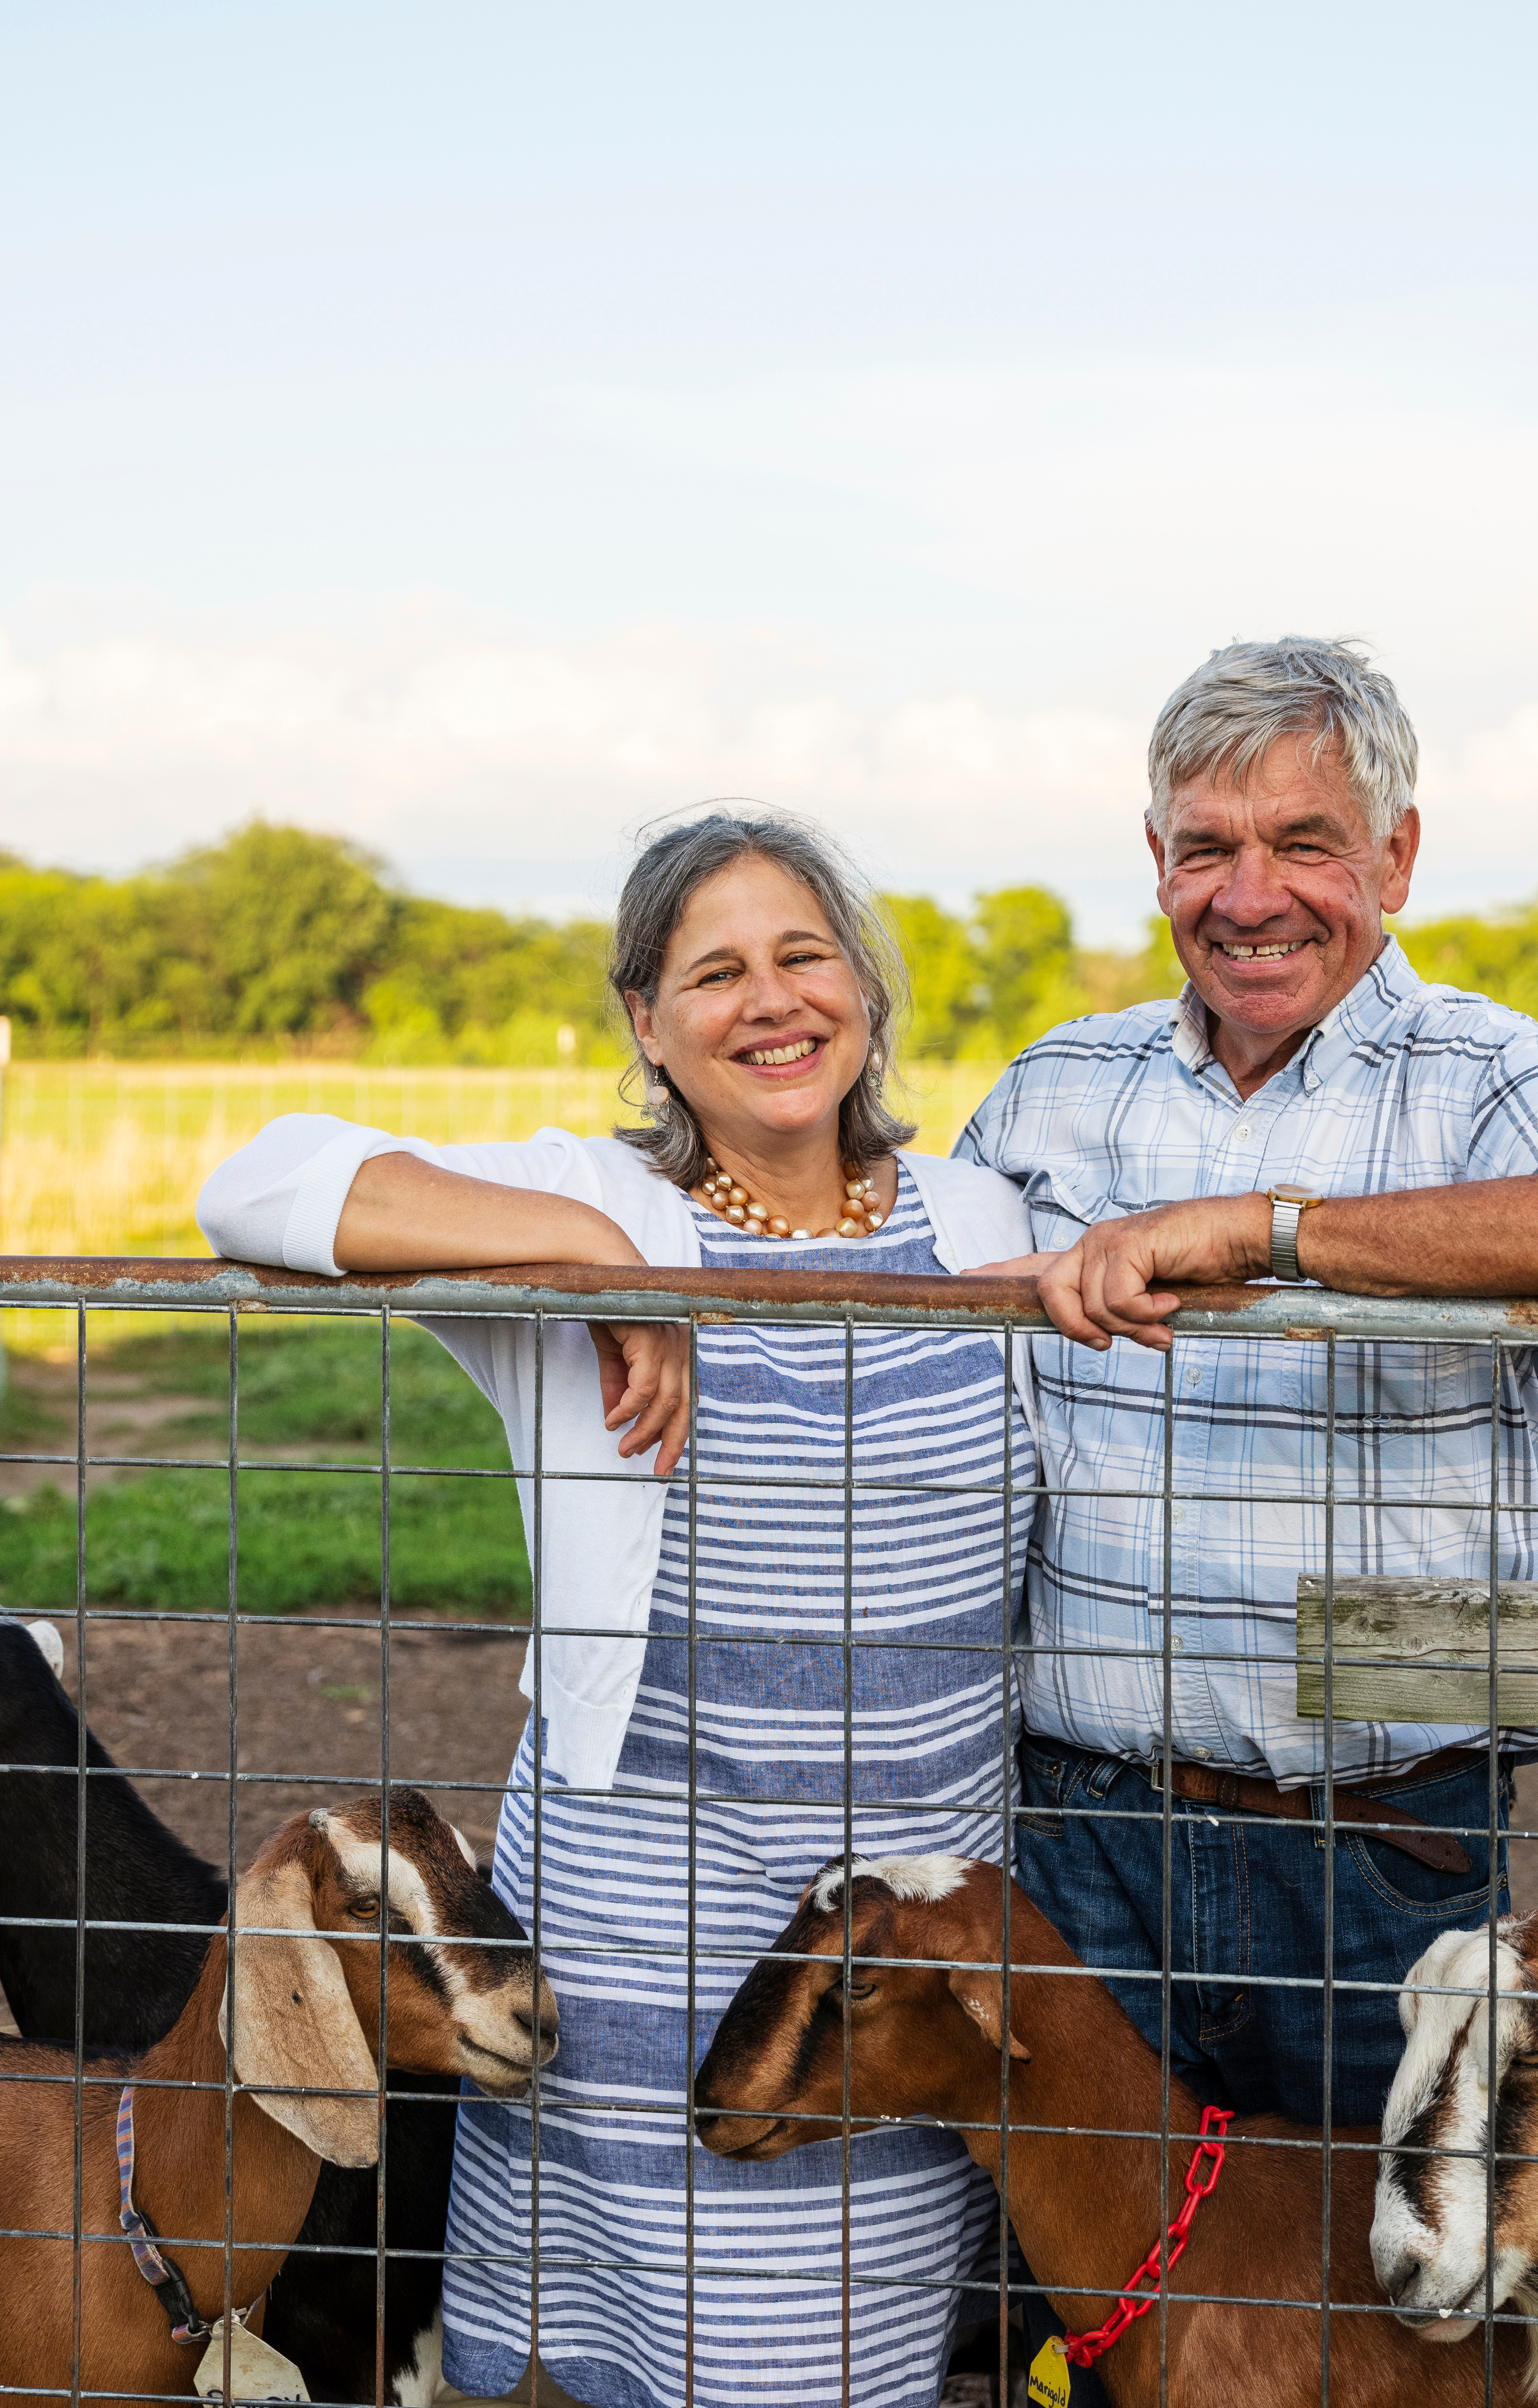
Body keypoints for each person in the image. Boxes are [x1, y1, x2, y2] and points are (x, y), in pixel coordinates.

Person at [197, 813, 1037, 2408]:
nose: (771, 1001)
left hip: (890, 1931)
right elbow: (255, 1183)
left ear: (867, 984)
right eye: (712, 972)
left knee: (846, 2357)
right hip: (643, 1905)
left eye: (804, 955)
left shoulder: (983, 1216)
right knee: (627, 2361)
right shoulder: (595, 1205)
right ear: (647, 1025)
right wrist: (595, 1259)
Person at [959, 635, 1538, 2142]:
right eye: (1206, 850)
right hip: (1078, 1827)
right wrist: (650, 1297)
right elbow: (903, 1299)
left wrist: (1268, 1234)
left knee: (1387, 2296)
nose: (1249, 897)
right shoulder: (1056, 1086)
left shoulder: (1480, 1075)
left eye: (1304, 844)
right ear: (1156, 860)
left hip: (1377, 1848)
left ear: (1398, 854)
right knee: (1104, 2305)